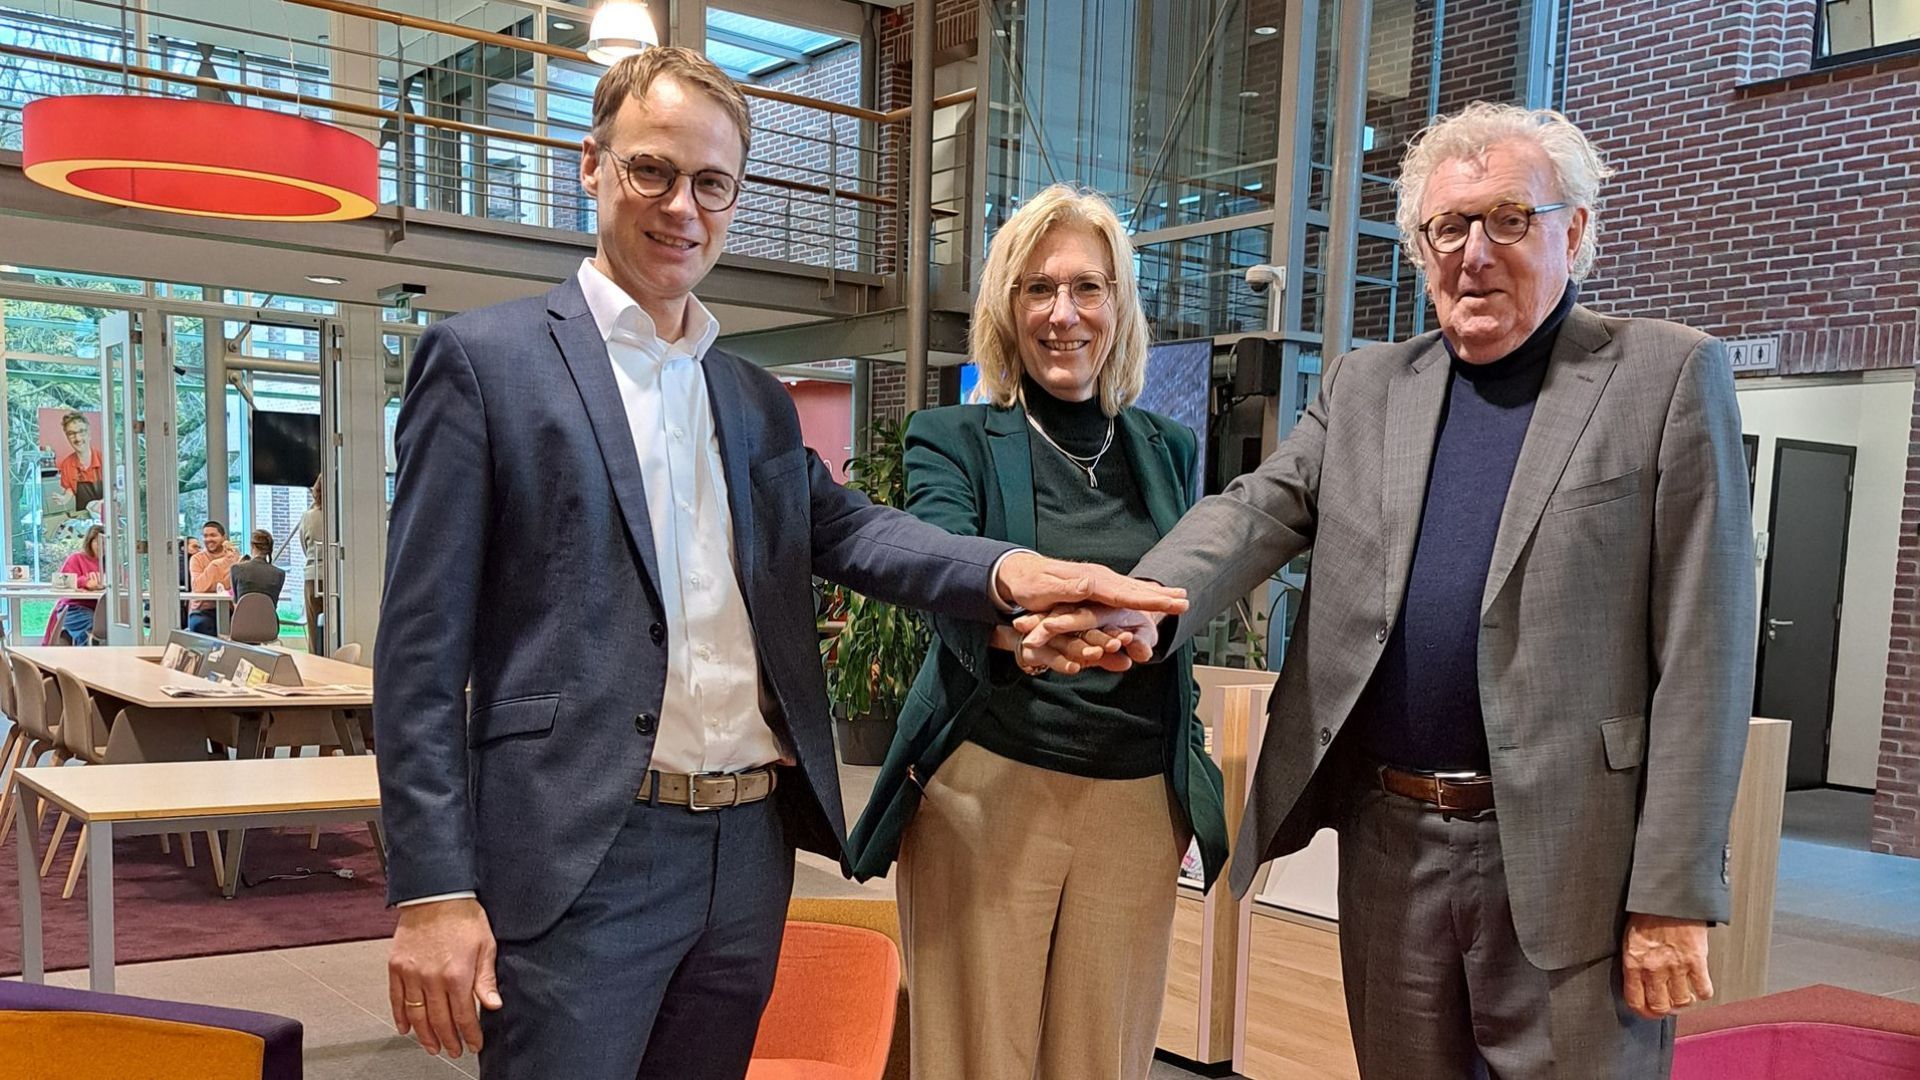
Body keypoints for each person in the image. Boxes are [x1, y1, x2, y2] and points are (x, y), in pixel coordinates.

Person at [373, 47, 1183, 1080]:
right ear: (592, 165)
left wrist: (1012, 574)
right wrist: (433, 890)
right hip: (581, 850)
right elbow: (419, 656)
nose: (682, 208)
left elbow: (856, 532)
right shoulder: (487, 363)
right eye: (653, 170)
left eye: (712, 183)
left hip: (742, 857)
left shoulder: (749, 396)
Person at [1026, 101, 1754, 1079]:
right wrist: (1140, 601)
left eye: (1508, 219)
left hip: (1576, 857)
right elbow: (1255, 510)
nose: (1474, 252)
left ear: (1574, 229)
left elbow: (1708, 650)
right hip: (1392, 848)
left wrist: (1673, 892)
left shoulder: (1665, 375)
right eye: (1447, 227)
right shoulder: (1368, 386)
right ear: (1420, 248)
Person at [845, 185, 1228, 1080]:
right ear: (1006, 307)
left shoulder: (1165, 448)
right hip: (990, 787)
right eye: (1038, 289)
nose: (1064, 314)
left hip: (1135, 797)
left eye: (1088, 287)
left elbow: (1184, 601)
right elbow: (942, 569)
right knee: (975, 1060)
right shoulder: (951, 437)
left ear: (1118, 303)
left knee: (1104, 1062)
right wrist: (1019, 636)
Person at [43, 523, 104, 646]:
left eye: (105, 542)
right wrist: (85, 582)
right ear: (89, 542)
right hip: (73, 606)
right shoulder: (76, 558)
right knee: (90, 628)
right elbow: (63, 581)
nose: (102, 546)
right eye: (98, 542)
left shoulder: (110, 562)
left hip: (101, 608)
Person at [188, 520, 241, 636]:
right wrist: (215, 564)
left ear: (223, 537)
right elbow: (198, 587)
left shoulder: (234, 558)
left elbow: (236, 586)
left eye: (213, 535)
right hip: (202, 610)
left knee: (245, 626)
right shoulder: (197, 559)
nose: (208, 539)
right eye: (205, 536)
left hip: (230, 609)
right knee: (202, 625)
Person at [297, 479, 325, 654]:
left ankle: (315, 659)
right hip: (337, 576)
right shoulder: (341, 515)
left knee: (314, 629)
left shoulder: (308, 517)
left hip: (313, 575)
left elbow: (304, 545)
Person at [55, 411, 102, 511]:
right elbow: (71, 489)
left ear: (89, 434)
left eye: (81, 431)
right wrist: (65, 498)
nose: (78, 438)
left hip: (107, 513)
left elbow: (118, 490)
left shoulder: (104, 459)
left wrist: (103, 503)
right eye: (71, 434)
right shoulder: (67, 464)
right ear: (67, 437)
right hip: (83, 516)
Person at [229, 529, 286, 605]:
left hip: (243, 612)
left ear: (252, 546)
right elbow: (274, 603)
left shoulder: (236, 569)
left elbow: (236, 601)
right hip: (267, 613)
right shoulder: (280, 574)